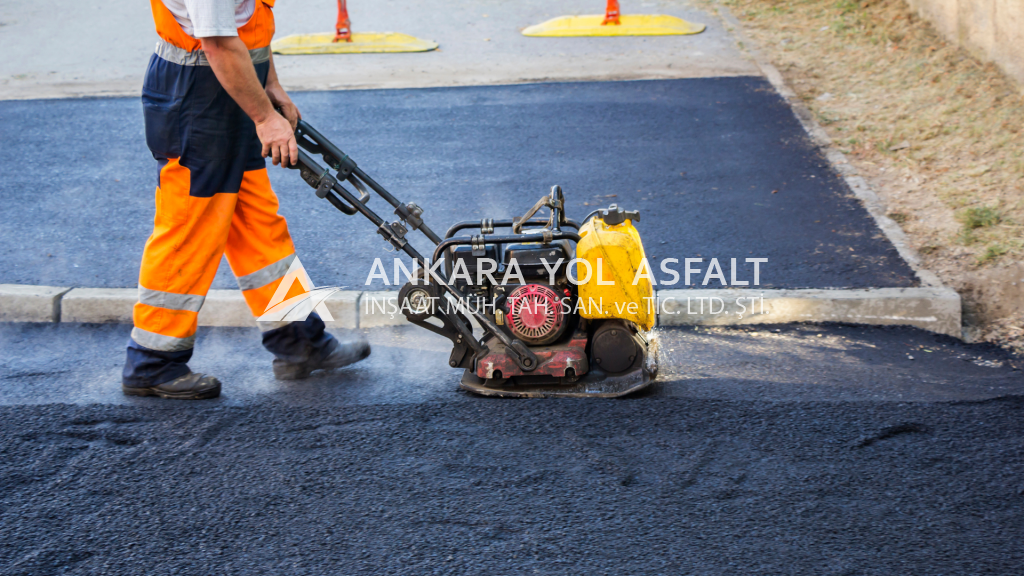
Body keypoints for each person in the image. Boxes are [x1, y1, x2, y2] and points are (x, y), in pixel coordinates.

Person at [122, 0, 370, 399]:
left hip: (230, 87)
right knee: (190, 228)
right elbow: (218, 42)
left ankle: (298, 341)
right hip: (197, 98)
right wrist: (265, 118)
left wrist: (271, 85)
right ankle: (151, 360)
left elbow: (247, 28)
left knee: (258, 225)